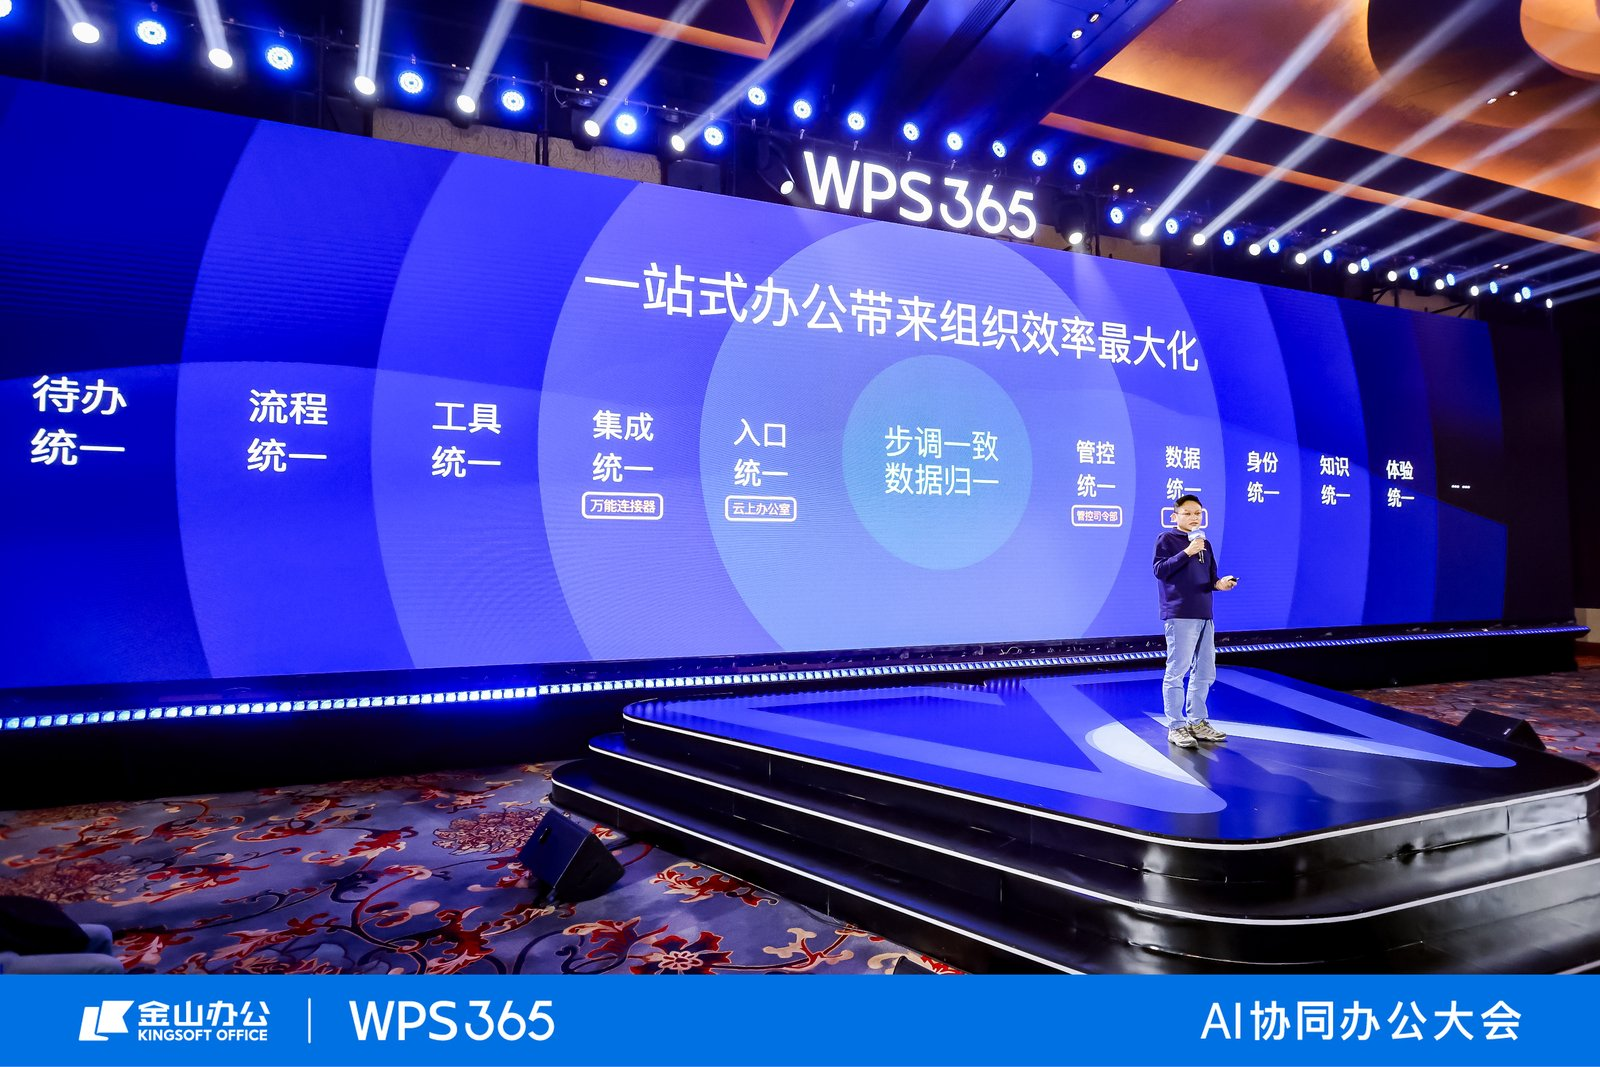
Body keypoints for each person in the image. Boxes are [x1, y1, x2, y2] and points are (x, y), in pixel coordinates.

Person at [1152, 494, 1238, 749]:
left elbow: (1211, 579)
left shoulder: (1204, 544)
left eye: (1197, 513)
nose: (1193, 517)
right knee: (1177, 671)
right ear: (1175, 516)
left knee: (1204, 671)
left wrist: (1221, 584)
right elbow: (1159, 570)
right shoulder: (1167, 539)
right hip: (1179, 614)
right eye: (1187, 513)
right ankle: (1176, 726)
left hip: (1204, 614)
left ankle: (1197, 722)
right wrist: (1187, 552)